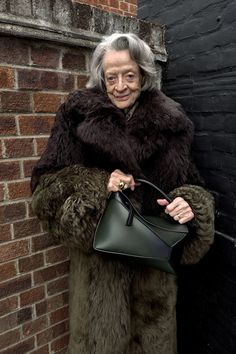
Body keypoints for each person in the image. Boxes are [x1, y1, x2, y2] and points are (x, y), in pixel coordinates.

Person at [31, 33, 215, 354]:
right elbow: (45, 193)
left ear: (143, 75)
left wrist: (191, 206)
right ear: (101, 78)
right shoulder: (77, 116)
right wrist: (99, 184)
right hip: (98, 293)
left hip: (153, 291)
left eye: (129, 76)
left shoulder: (172, 123)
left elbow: (192, 184)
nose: (120, 86)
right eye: (111, 77)